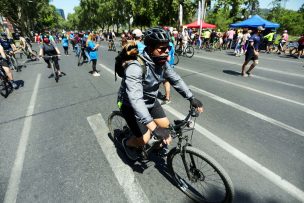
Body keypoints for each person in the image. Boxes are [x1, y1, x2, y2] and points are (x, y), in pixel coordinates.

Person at [118, 27, 203, 160]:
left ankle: (155, 145)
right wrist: (152, 127)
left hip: (150, 101)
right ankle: (128, 143)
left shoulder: (161, 63)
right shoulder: (135, 67)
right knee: (145, 138)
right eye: (162, 49)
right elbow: (136, 100)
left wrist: (191, 97)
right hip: (130, 104)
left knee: (166, 128)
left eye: (168, 48)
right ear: (150, 49)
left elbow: (175, 79)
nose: (167, 52)